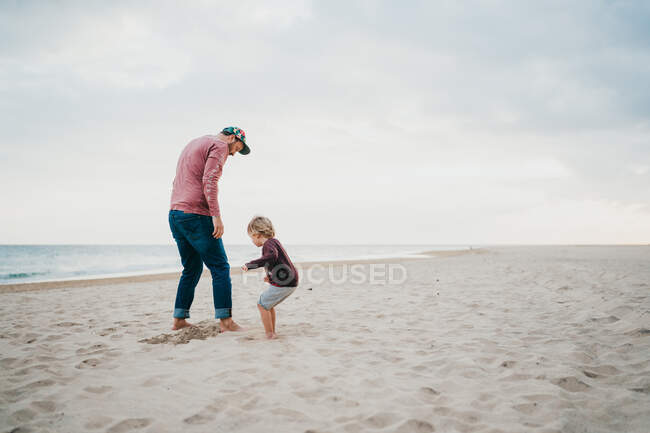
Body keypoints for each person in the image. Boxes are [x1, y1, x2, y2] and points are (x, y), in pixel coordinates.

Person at [168, 126, 250, 332]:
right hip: (197, 214)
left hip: (176, 213)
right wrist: (216, 216)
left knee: (192, 268)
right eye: (236, 149)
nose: (232, 154)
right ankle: (226, 321)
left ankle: (179, 319)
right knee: (220, 268)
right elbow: (210, 180)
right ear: (232, 138)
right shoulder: (220, 145)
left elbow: (177, 179)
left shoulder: (194, 143)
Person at [241, 216, 298, 339]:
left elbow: (271, 257)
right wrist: (270, 277)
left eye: (251, 238)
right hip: (290, 280)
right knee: (268, 305)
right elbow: (276, 262)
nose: (252, 241)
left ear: (257, 234)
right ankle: (272, 331)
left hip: (285, 282)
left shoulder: (268, 244)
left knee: (262, 304)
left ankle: (270, 334)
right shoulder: (274, 242)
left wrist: (250, 265)